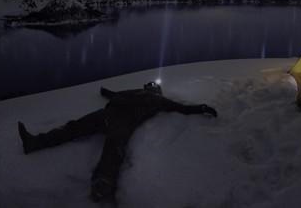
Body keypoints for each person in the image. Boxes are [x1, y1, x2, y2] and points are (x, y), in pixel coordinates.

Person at [17, 81, 218, 202]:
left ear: (157, 91)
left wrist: (200, 107)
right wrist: (105, 91)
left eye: (153, 87)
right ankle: (34, 142)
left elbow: (181, 108)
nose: (150, 88)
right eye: (150, 86)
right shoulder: (134, 92)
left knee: (114, 147)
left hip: (123, 120)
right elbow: (114, 94)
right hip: (108, 113)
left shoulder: (159, 101)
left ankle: (102, 184)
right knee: (74, 127)